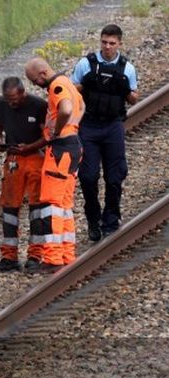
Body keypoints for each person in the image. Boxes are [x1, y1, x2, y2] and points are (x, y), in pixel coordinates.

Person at [71, 24, 139, 242]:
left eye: (112, 43)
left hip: (113, 126)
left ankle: (111, 218)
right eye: (104, 42)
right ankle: (93, 219)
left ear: (119, 44)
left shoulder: (126, 67)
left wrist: (125, 89)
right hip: (89, 125)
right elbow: (72, 91)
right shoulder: (86, 64)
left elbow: (134, 98)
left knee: (115, 176)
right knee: (88, 176)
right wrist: (86, 84)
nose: (107, 47)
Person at [25, 57, 85, 272]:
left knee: (52, 204)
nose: (35, 86)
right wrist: (72, 127)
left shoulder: (57, 86)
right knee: (64, 205)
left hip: (60, 149)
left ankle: (52, 257)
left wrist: (57, 131)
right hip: (73, 146)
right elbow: (81, 105)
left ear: (42, 74)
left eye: (34, 81)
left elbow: (67, 109)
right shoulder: (68, 82)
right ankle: (67, 253)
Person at [0, 77, 48, 272]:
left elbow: (47, 135)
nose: (11, 103)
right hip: (13, 159)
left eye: (14, 99)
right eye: (8, 99)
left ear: (23, 93)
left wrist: (29, 147)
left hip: (34, 158)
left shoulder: (39, 105)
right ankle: (9, 256)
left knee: (37, 207)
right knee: (9, 207)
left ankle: (35, 255)